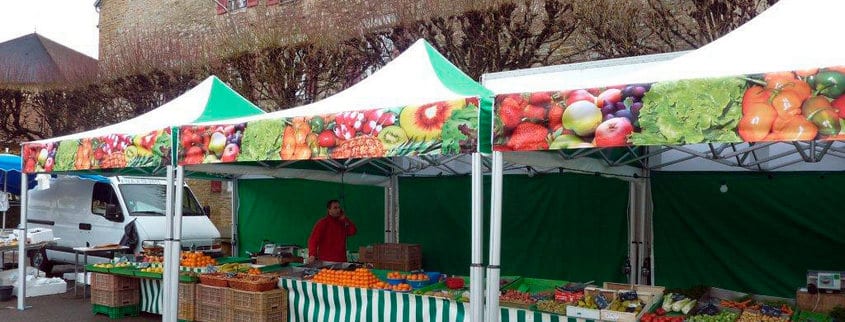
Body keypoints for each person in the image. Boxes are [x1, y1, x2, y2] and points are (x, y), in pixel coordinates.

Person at [306, 199, 357, 263]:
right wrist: (312, 254)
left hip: (341, 261)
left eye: (339, 208)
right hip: (325, 262)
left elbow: (353, 231)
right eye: (335, 208)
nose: (338, 210)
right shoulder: (323, 223)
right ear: (329, 210)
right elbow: (313, 240)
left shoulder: (343, 223)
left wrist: (345, 219)